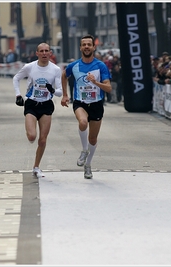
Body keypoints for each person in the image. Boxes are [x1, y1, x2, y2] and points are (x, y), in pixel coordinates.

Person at [60, 34, 112, 179]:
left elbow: (108, 88)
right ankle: (84, 150)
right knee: (83, 122)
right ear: (80, 47)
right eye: (84, 44)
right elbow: (64, 75)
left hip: (96, 104)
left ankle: (88, 165)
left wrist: (95, 82)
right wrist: (65, 95)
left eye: (89, 44)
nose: (87, 47)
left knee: (93, 139)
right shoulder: (74, 65)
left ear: (94, 47)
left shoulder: (100, 66)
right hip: (80, 102)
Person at [12, 43, 62, 178]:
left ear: (50, 53)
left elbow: (59, 92)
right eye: (42, 51)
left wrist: (52, 90)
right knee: (32, 136)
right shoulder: (30, 67)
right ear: (37, 53)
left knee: (43, 140)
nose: (44, 53)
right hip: (31, 104)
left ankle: (36, 167)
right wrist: (18, 95)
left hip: (46, 105)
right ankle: (29, 129)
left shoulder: (56, 69)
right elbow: (16, 78)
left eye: (47, 51)